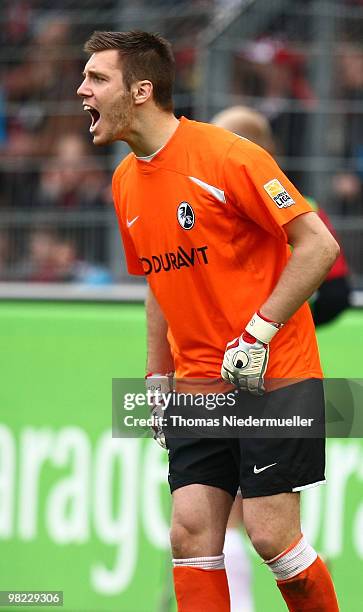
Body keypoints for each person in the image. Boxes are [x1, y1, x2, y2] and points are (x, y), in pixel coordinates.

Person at [77, 31, 340, 611]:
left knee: (273, 539)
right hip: (198, 381)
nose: (81, 90)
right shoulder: (124, 182)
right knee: (190, 534)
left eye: (97, 79)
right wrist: (155, 374)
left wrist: (259, 332)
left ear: (142, 90)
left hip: (275, 375)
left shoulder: (228, 155)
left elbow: (318, 245)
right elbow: (157, 278)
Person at [211, 104, 351, 611]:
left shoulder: (290, 207)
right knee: (222, 515)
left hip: (266, 371)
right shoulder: (290, 202)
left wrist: (276, 321)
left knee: (252, 518)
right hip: (249, 367)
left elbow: (333, 282)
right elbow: (338, 295)